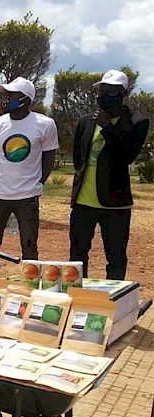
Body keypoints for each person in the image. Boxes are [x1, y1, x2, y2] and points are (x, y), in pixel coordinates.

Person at [70, 70, 150, 280]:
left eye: (111, 91)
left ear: (123, 93)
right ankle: (78, 298)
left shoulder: (137, 122)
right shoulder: (86, 121)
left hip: (115, 204)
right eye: (102, 90)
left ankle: (115, 302)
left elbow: (127, 156)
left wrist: (107, 128)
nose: (103, 95)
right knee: (77, 256)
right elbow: (79, 157)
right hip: (83, 202)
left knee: (115, 258)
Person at [0, 77, 58, 280]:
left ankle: (31, 285)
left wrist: (36, 183)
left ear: (26, 99)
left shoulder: (45, 124)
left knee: (30, 246)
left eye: (12, 95)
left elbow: (48, 158)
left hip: (27, 196)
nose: (7, 100)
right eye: (6, 95)